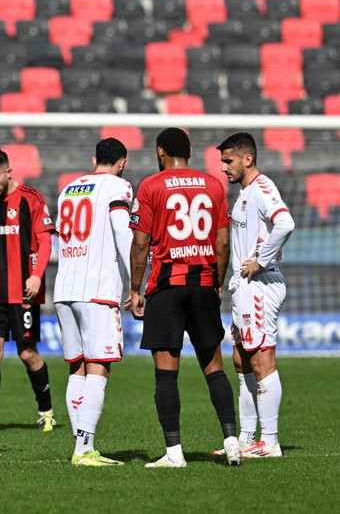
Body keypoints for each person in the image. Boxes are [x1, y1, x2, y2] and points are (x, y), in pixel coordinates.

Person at [128, 127, 241, 468]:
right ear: (190, 151)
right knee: (215, 368)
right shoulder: (214, 185)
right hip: (204, 283)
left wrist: (135, 289)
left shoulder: (150, 186)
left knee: (166, 373)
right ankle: (232, 441)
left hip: (167, 287)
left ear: (161, 152)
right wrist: (217, 282)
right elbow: (223, 243)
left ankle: (174, 454)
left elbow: (140, 243)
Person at [213, 132, 294, 458]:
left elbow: (285, 223)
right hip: (244, 286)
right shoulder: (245, 193)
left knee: (262, 361)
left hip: (260, 284)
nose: (224, 168)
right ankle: (247, 437)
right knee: (242, 360)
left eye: (228, 161)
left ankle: (270, 442)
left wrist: (261, 260)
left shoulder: (262, 188)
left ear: (247, 159)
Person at [53, 138, 133, 467]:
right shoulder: (119, 186)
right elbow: (122, 232)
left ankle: (81, 446)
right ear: (123, 162)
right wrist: (138, 282)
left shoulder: (68, 188)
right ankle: (84, 450)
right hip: (97, 289)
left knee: (78, 368)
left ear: (94, 158)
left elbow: (62, 236)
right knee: (99, 368)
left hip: (64, 288)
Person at [0, 149, 56, 433]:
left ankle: (46, 410)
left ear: (8, 172)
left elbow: (45, 242)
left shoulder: (31, 199)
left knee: (27, 354)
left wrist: (36, 276)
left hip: (24, 292)